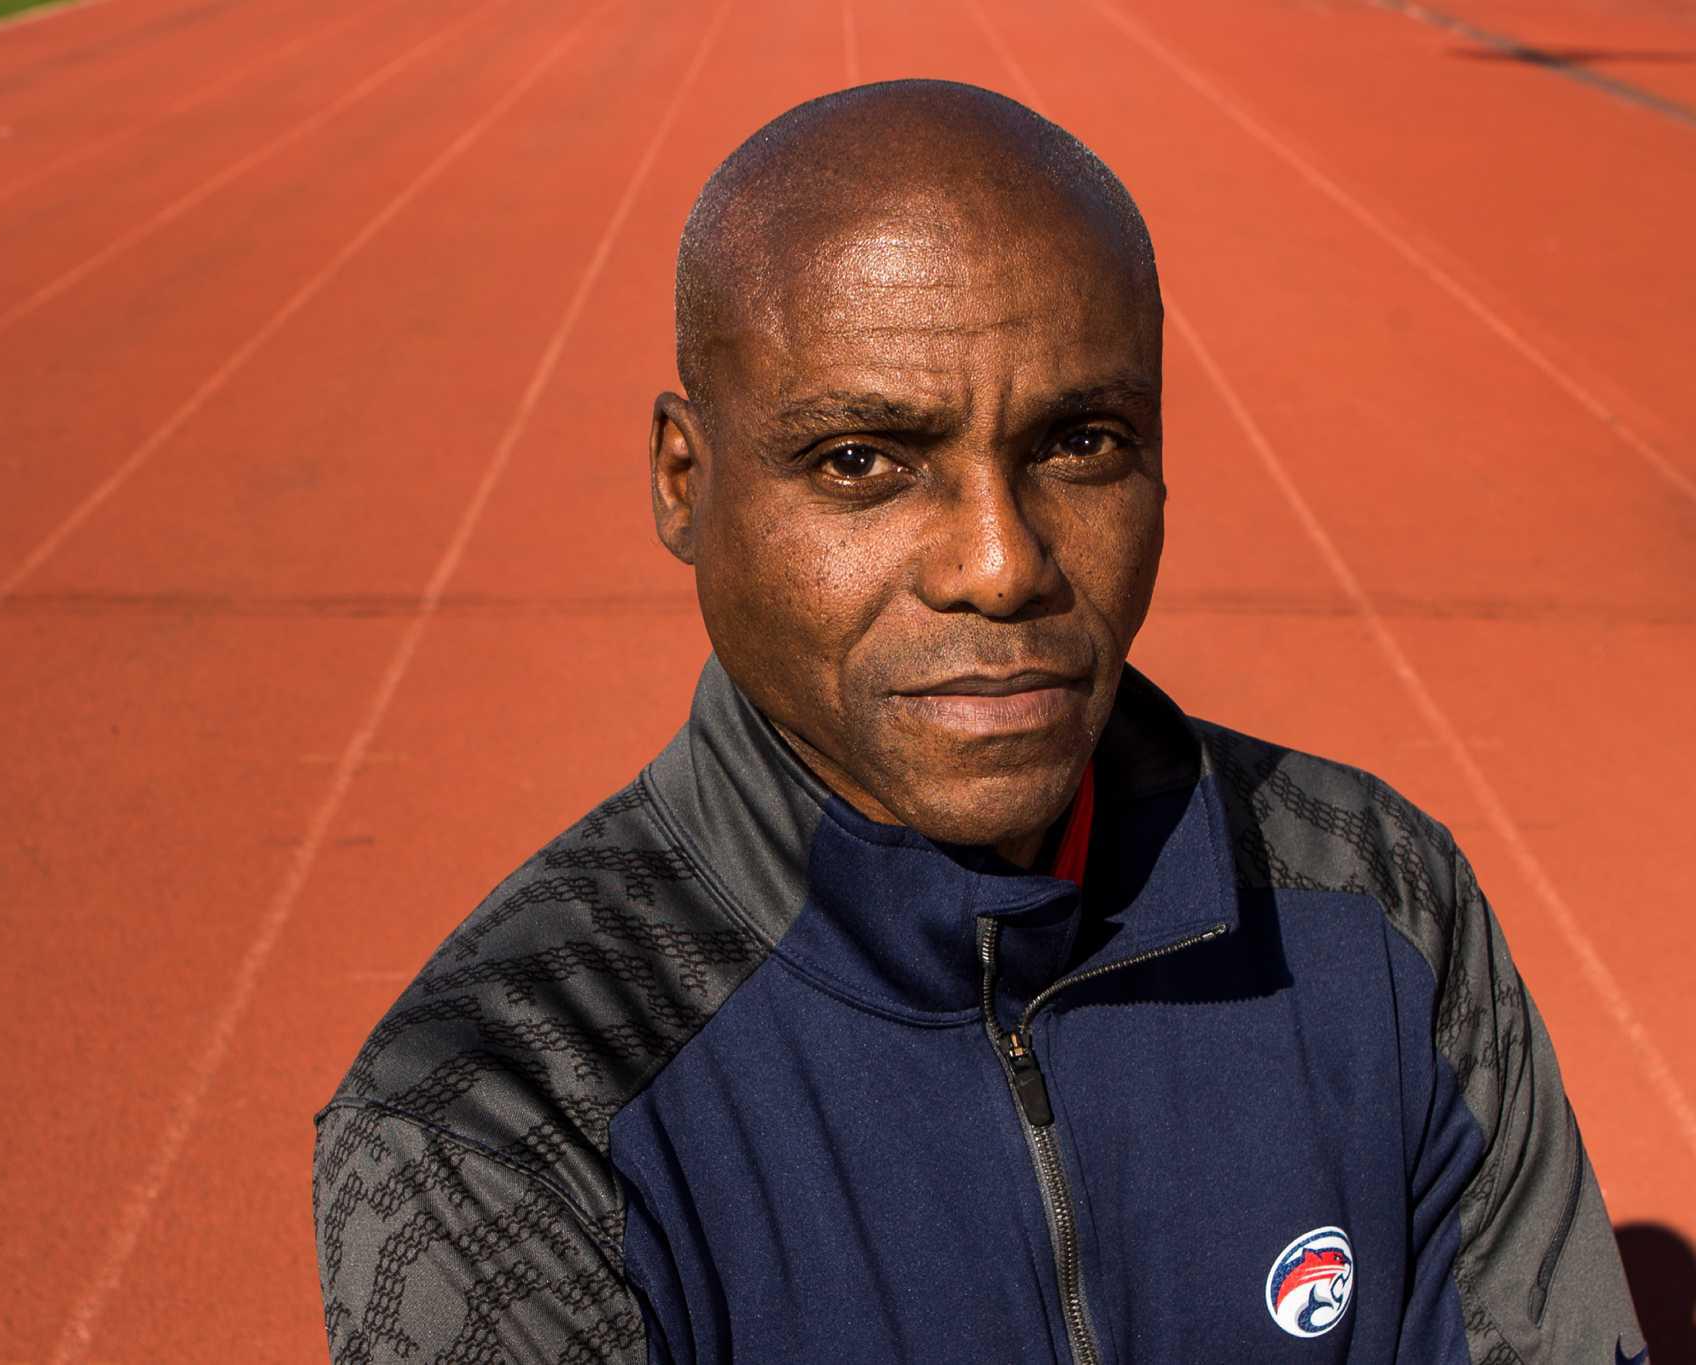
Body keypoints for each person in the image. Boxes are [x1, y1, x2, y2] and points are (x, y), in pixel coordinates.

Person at [312, 80, 1646, 1363]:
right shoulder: (502, 1100)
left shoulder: (1381, 910)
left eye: (1082, 444)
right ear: (683, 480)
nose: (1001, 563)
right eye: (863, 461)